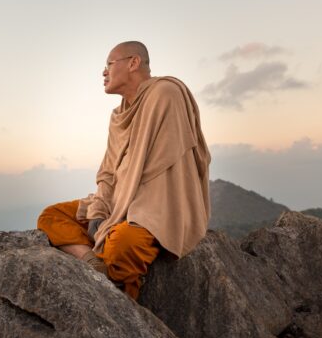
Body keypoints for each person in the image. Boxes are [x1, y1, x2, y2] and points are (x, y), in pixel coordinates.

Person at [37, 41, 211, 299]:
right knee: (51, 216)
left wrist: (120, 212)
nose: (103, 72)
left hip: (155, 205)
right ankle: (92, 262)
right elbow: (109, 171)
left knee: (121, 245)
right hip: (119, 200)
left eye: (109, 64)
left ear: (133, 63)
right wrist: (101, 208)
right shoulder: (118, 115)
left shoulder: (165, 93)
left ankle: (122, 297)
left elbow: (154, 169)